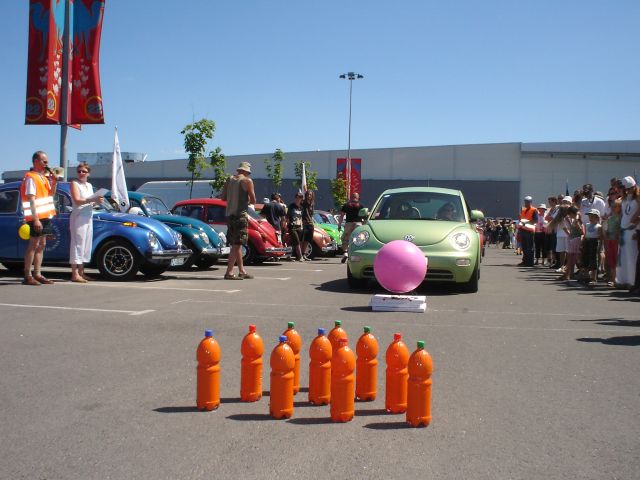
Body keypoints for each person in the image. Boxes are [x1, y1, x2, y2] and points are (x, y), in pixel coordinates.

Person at [20, 151, 57, 285]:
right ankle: (27, 275)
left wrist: (54, 182)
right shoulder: (31, 177)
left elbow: (50, 195)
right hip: (36, 217)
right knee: (33, 245)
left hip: (45, 215)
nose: (47, 164)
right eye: (44, 161)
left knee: (42, 245)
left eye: (47, 161)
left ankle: (37, 273)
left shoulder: (44, 178)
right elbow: (31, 199)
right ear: (36, 161)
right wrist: (35, 219)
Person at [219, 162, 256, 280]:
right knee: (237, 244)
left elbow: (223, 198)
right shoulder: (247, 181)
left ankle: (241, 271)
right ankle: (229, 272)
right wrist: (246, 199)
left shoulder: (229, 180)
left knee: (236, 244)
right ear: (246, 171)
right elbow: (253, 200)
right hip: (240, 215)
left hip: (229, 216)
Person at [69, 162, 102, 283]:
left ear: (88, 173)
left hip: (88, 216)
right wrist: (92, 199)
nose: (81, 173)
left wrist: (97, 201)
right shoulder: (74, 183)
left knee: (86, 244)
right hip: (79, 216)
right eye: (79, 171)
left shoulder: (89, 185)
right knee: (77, 243)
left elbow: (90, 202)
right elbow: (77, 200)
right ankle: (74, 273)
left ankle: (81, 272)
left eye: (84, 171)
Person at [617, 176, 639, 288]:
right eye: (626, 189)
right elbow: (623, 215)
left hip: (633, 231)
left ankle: (632, 282)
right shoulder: (624, 199)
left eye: (630, 188)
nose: (628, 190)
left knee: (632, 257)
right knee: (623, 257)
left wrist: (637, 229)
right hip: (624, 231)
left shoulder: (638, 199)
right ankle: (623, 280)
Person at [338, 192, 364, 263]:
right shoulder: (361, 206)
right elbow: (364, 217)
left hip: (349, 224)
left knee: (345, 239)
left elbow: (342, 216)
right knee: (359, 240)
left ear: (351, 197)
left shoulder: (346, 205)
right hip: (358, 224)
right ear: (358, 198)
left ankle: (345, 253)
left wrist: (339, 225)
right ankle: (357, 256)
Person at [583, 209, 604, 286]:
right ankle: (586, 276)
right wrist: (583, 242)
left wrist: (600, 247)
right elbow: (585, 235)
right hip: (587, 241)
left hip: (594, 242)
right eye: (589, 216)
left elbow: (601, 237)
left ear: (597, 217)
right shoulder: (587, 225)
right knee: (585, 258)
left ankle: (594, 278)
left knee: (594, 259)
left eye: (592, 216)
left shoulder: (599, 226)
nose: (590, 218)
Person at [604, 199, 621, 287]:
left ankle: (619, 280)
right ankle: (614, 280)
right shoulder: (610, 218)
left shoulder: (621, 218)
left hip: (618, 242)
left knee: (618, 261)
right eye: (612, 206)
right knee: (612, 261)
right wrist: (606, 233)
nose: (613, 208)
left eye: (615, 206)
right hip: (610, 241)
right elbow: (606, 229)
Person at [518, 195, 538, 267]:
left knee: (530, 247)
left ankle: (530, 262)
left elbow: (535, 220)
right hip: (523, 230)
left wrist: (526, 222)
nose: (526, 203)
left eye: (528, 202)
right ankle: (525, 261)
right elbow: (521, 220)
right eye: (525, 201)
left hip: (529, 231)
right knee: (524, 247)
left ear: (531, 202)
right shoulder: (523, 210)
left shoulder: (534, 210)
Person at [287, 192, 304, 261]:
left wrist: (302, 226)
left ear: (301, 199)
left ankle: (288, 256)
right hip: (292, 226)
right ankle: (300, 256)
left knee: (293, 242)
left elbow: (301, 217)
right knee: (296, 241)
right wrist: (288, 224)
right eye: (296, 197)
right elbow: (287, 216)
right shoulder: (291, 206)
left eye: (299, 198)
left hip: (299, 226)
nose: (297, 199)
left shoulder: (301, 207)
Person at [300, 190, 315, 260]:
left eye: (310, 195)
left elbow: (311, 214)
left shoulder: (312, 204)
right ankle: (299, 254)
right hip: (305, 222)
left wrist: (312, 221)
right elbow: (306, 213)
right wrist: (310, 220)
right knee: (302, 239)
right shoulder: (304, 203)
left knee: (307, 239)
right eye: (308, 194)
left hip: (310, 223)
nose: (309, 196)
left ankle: (304, 254)